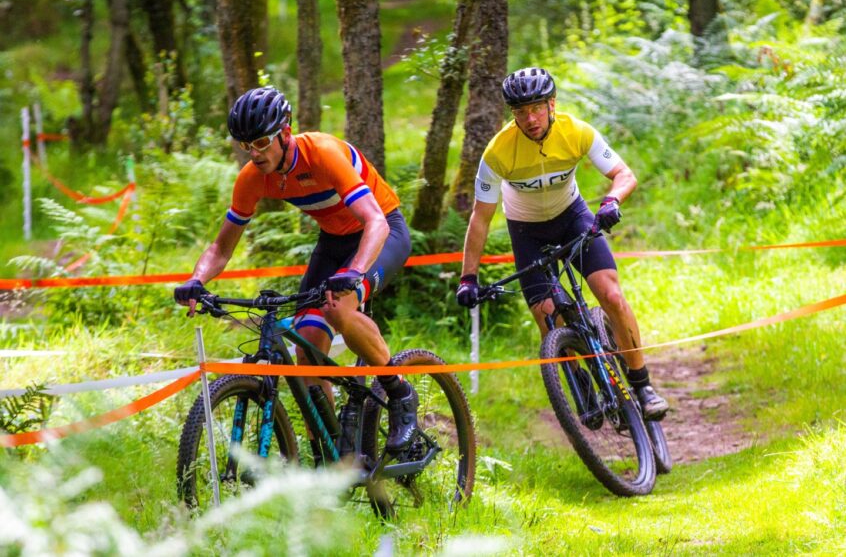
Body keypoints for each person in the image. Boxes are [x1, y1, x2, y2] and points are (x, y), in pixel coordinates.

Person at [174, 86, 419, 452]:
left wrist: (355, 273)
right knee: (307, 347)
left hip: (382, 232)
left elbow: (376, 223)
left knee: (340, 307)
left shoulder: (322, 153)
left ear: (285, 133)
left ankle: (401, 393)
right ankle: (334, 452)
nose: (254, 153)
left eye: (260, 142)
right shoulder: (253, 177)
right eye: (245, 145)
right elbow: (221, 247)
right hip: (334, 242)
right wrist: (196, 279)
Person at [454, 67, 669, 420]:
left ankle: (642, 384)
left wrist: (612, 201)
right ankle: (580, 384)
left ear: (552, 104)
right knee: (546, 316)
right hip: (526, 230)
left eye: (537, 108)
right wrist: (468, 278)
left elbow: (624, 175)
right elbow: (480, 217)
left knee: (610, 294)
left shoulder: (576, 132)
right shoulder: (498, 152)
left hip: (573, 218)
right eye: (521, 112)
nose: (530, 118)